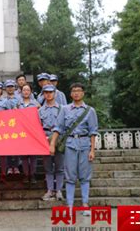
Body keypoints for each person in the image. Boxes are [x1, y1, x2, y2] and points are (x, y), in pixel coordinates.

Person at [50, 83, 99, 216]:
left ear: (83, 93)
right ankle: (70, 205)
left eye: (79, 90)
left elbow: (93, 132)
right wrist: (52, 144)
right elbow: (58, 128)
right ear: (70, 94)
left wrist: (92, 150)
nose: (76, 93)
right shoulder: (64, 109)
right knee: (70, 176)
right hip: (70, 144)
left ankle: (84, 204)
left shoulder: (90, 111)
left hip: (84, 144)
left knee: (85, 176)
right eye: (74, 91)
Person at [39, 84, 65, 202]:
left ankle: (58, 190)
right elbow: (38, 126)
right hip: (45, 138)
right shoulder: (40, 110)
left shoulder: (62, 109)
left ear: (55, 93)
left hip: (58, 139)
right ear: (43, 94)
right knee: (48, 167)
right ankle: (50, 190)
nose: (48, 94)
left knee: (59, 167)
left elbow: (64, 125)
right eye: (46, 92)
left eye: (51, 92)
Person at [17, 83, 40, 183]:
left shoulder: (36, 104)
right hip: (22, 133)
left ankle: (33, 174)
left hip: (33, 133)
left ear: (30, 92)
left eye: (27, 90)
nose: (25, 92)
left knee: (33, 156)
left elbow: (39, 118)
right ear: (21, 92)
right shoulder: (18, 104)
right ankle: (26, 174)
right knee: (24, 156)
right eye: (24, 90)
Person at [4, 79, 20, 176]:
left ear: (15, 88)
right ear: (5, 88)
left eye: (12, 87)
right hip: (5, 127)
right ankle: (9, 167)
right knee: (7, 148)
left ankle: (16, 166)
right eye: (8, 87)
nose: (10, 88)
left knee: (17, 148)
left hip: (17, 126)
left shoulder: (19, 99)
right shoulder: (2, 99)